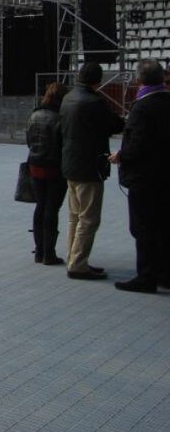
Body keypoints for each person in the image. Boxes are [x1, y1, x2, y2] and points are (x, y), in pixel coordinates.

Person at [58, 62, 125, 280]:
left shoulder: (67, 98)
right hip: (89, 167)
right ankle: (78, 264)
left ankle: (74, 258)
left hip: (70, 163)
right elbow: (115, 125)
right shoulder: (94, 102)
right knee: (89, 219)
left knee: (74, 217)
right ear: (97, 80)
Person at [109, 59, 170, 293]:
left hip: (145, 178)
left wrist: (121, 156)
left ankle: (146, 277)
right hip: (166, 176)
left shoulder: (142, 107)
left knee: (143, 228)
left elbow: (137, 144)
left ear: (138, 81)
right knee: (164, 226)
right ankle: (165, 273)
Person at [25, 82, 69, 265]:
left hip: (35, 166)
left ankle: (39, 251)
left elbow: (29, 140)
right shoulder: (60, 118)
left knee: (40, 206)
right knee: (52, 209)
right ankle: (49, 253)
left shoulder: (34, 115)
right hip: (54, 168)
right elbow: (63, 143)